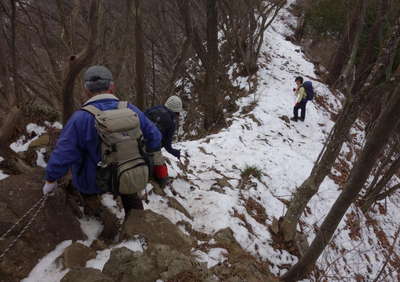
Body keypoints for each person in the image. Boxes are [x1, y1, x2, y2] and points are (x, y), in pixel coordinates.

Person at [42, 65, 163, 220]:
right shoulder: (130, 109)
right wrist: (147, 159)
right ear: (111, 87)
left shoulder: (79, 118)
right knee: (129, 189)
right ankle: (137, 225)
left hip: (93, 182)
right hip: (127, 173)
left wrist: (51, 179)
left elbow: (63, 154)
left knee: (86, 184)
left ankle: (97, 217)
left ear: (86, 90)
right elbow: (155, 136)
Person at [144, 96, 183, 160]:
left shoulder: (154, 109)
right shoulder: (171, 123)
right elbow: (167, 146)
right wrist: (176, 153)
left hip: (137, 140)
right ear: (177, 112)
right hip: (150, 149)